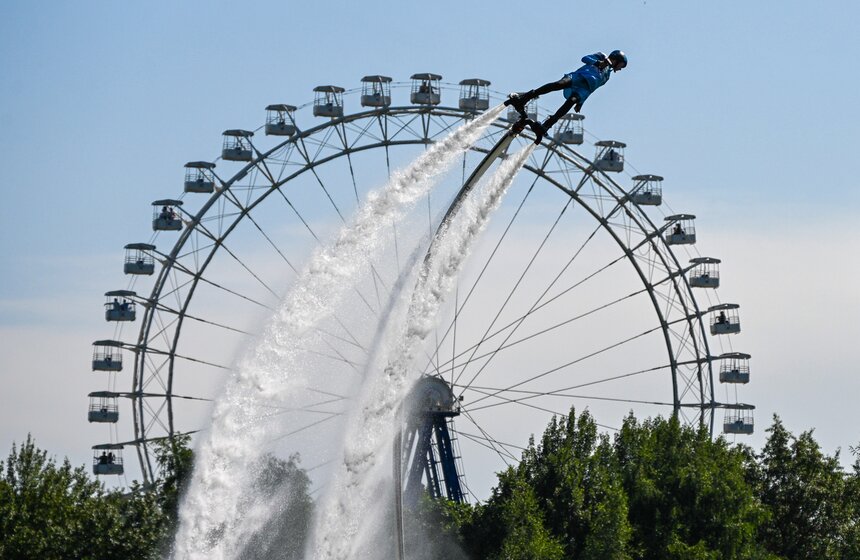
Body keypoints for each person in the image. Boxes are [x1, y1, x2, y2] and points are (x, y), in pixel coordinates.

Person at [505, 50, 627, 143]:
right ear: (616, 59)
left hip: (584, 90)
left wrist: (581, 103)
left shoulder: (607, 76)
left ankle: (547, 124)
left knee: (570, 102)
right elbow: (584, 58)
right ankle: (526, 97)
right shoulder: (601, 56)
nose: (620, 69)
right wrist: (597, 62)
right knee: (558, 85)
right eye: (621, 65)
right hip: (577, 78)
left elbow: (593, 89)